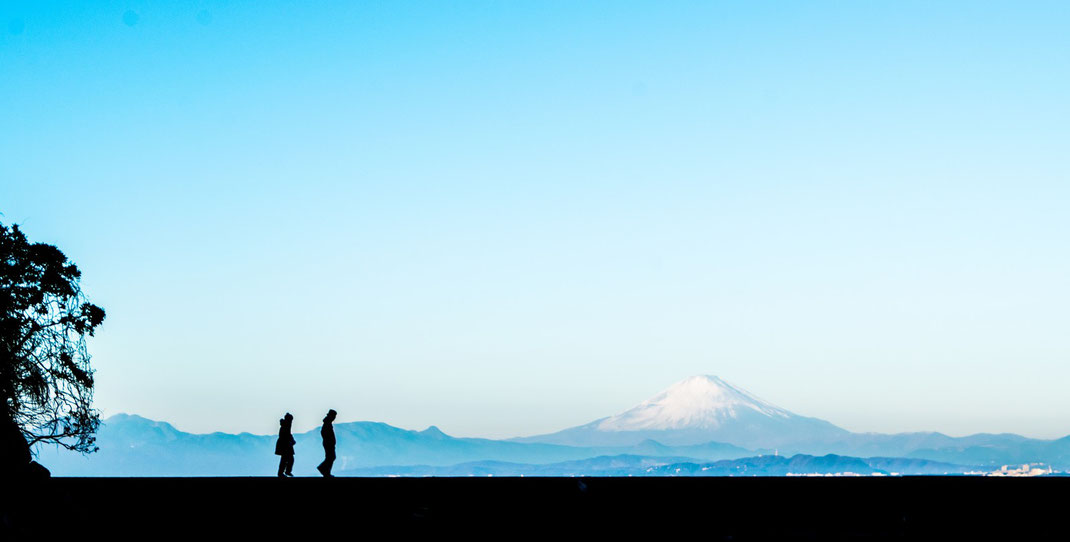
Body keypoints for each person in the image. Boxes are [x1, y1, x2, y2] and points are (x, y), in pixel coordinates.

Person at [316, 409, 337, 477]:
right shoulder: (327, 423)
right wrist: (329, 440)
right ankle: (324, 469)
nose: (334, 418)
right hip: (328, 443)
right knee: (331, 457)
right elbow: (324, 433)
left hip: (328, 443)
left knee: (330, 457)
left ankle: (326, 471)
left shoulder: (327, 423)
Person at [275, 413, 295, 477]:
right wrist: (291, 441)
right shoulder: (286, 426)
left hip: (285, 444)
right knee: (287, 459)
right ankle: (284, 472)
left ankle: (284, 472)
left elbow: (288, 434)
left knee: (285, 459)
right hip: (285, 445)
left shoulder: (286, 425)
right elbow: (286, 435)